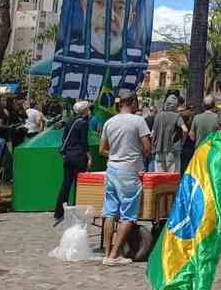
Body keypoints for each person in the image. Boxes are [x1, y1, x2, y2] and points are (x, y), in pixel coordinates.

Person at [98, 90, 151, 266]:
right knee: (128, 215)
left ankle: (106, 253)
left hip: (111, 169)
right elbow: (147, 147)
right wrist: (134, 155)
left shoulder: (109, 122)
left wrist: (117, 153)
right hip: (129, 171)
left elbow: (102, 149)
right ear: (133, 102)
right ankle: (115, 254)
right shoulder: (138, 121)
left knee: (109, 212)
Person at [54, 101, 92, 224]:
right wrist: (89, 157)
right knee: (80, 184)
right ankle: (77, 209)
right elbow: (84, 142)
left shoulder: (70, 121)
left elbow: (64, 138)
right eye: (88, 108)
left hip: (68, 156)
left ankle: (59, 211)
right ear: (84, 110)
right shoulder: (83, 123)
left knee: (66, 184)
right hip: (79, 156)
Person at [150, 95, 188, 173]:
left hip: (159, 151)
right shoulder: (177, 116)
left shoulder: (158, 116)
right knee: (172, 180)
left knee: (160, 179)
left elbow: (152, 134)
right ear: (175, 105)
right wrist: (182, 142)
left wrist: (153, 146)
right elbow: (185, 130)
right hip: (172, 151)